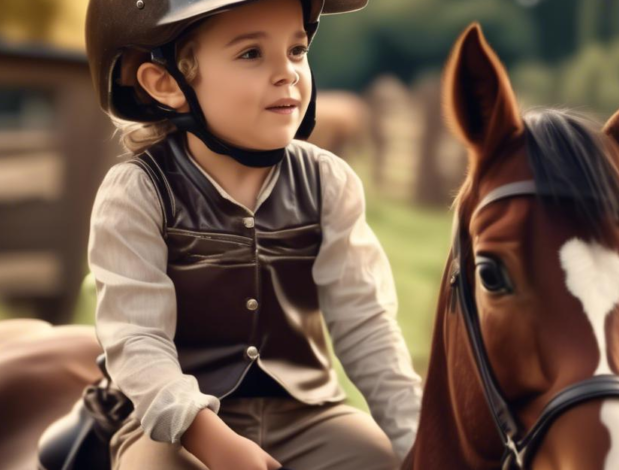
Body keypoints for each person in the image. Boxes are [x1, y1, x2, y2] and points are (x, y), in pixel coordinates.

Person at [84, 0, 423, 469]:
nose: (287, 73)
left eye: (297, 51)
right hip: (176, 427)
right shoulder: (138, 191)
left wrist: (420, 440)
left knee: (381, 459)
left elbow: (367, 326)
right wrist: (207, 436)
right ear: (166, 84)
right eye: (251, 54)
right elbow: (137, 340)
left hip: (310, 417)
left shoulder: (330, 181)